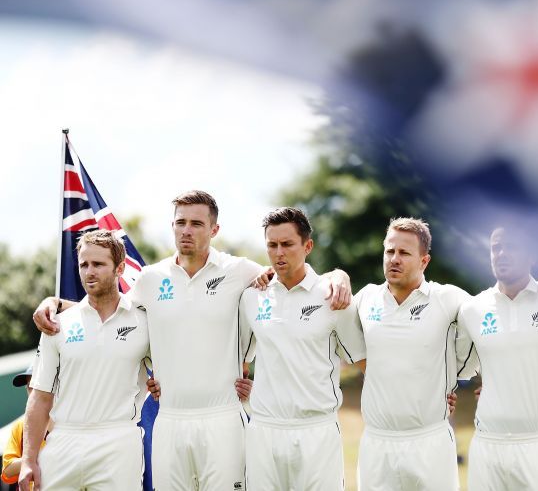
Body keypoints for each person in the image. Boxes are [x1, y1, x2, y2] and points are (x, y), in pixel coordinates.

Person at [33, 190, 352, 490]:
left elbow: (291, 273)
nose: (187, 230)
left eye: (197, 223)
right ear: (172, 226)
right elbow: (109, 311)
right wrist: (57, 304)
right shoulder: (149, 279)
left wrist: (337, 275)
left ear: (214, 229)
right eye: (180, 222)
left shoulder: (240, 271)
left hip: (224, 419)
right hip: (169, 421)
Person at [239, 207, 366, 490]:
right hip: (263, 430)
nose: (278, 253)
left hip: (316, 431)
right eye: (272, 245)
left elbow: (365, 362)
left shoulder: (334, 296)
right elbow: (238, 358)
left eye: (287, 244)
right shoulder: (251, 297)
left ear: (307, 246)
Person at [19, 230, 151, 490]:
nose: (89, 272)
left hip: (119, 441)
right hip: (64, 441)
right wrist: (28, 459)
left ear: (120, 268)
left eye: (99, 264)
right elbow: (41, 395)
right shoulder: (57, 323)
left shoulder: (144, 321)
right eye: (84, 264)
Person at [348, 217, 471, 491]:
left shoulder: (448, 298)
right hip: (377, 443)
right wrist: (337, 275)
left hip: (430, 440)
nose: (394, 259)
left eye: (404, 253)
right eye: (389, 251)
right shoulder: (365, 299)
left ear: (424, 261)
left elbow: (494, 317)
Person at [456, 226, 538, 490]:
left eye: (512, 246)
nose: (502, 254)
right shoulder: (473, 309)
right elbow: (458, 367)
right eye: (496, 247)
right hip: (488, 445)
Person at [2, 366, 48, 489]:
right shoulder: (21, 425)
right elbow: (7, 469)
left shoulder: (66, 421)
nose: (31, 391)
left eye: (36, 385)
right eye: (28, 387)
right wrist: (30, 461)